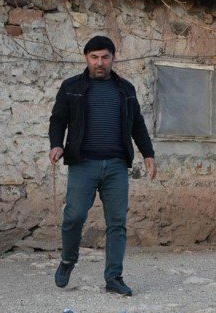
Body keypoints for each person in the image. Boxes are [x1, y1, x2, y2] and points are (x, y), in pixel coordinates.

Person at [48, 35, 156, 296]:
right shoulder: (71, 86)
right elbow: (57, 119)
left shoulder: (125, 89)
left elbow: (138, 124)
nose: (100, 62)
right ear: (86, 58)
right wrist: (56, 144)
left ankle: (114, 278)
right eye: (94, 57)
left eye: (105, 57)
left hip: (117, 165)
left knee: (117, 222)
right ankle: (68, 260)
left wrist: (148, 153)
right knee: (74, 216)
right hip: (83, 163)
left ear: (113, 58)